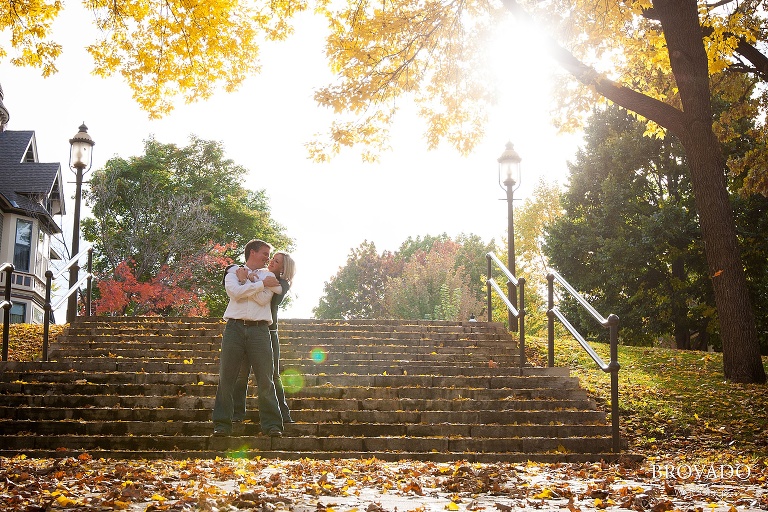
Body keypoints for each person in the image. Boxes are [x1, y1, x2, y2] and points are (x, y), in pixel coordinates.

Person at [211, 239, 284, 437]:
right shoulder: (233, 271)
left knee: (265, 379)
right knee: (227, 378)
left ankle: (272, 425)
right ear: (252, 252)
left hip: (260, 331)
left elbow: (262, 299)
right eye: (265, 254)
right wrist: (257, 284)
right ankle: (222, 425)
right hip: (234, 328)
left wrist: (248, 282)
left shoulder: (267, 275)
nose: (268, 259)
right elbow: (234, 293)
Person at [232, 251, 296, 424]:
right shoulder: (261, 275)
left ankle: (283, 415)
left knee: (273, 375)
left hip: (269, 331)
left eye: (276, 261)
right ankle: (237, 413)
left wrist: (249, 281)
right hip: (249, 329)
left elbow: (262, 299)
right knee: (241, 374)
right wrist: (253, 281)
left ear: (284, 268)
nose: (271, 262)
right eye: (272, 259)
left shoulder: (282, 284)